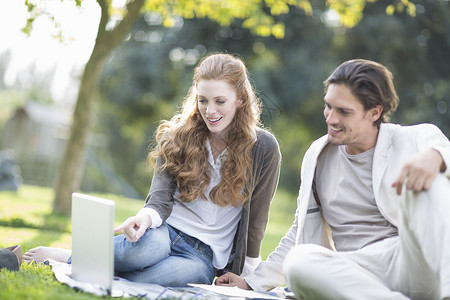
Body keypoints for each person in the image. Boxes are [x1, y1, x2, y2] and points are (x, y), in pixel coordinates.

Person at [23, 53, 281, 287]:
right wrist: (143, 219)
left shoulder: (263, 148)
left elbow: (257, 218)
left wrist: (248, 277)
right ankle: (70, 257)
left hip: (203, 256)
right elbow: (158, 198)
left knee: (156, 278)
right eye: (203, 100)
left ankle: (79, 263)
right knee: (146, 250)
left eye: (220, 101)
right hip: (164, 231)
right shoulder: (178, 136)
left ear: (241, 99)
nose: (209, 111)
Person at [216, 59, 450, 299]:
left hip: (410, 262)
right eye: (329, 106)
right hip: (355, 272)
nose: (331, 118)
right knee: (300, 262)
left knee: (433, 181)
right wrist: (251, 282)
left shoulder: (412, 139)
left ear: (375, 112)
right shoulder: (318, 156)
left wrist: (434, 158)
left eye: (344, 112)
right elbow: (299, 231)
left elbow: (439, 145)